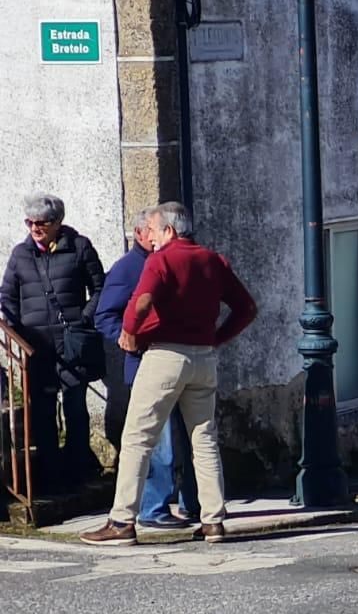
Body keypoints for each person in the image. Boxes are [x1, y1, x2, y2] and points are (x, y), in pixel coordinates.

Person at [78, 202, 257, 546]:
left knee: (137, 438)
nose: (152, 238)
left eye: (156, 231)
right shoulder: (213, 260)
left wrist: (130, 330)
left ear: (170, 231)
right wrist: (216, 338)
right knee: (204, 440)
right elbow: (247, 308)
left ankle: (121, 522)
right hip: (203, 358)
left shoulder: (161, 259)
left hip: (165, 355)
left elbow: (143, 301)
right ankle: (213, 521)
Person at [93, 207, 200, 528]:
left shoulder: (170, 260)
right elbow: (104, 315)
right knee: (159, 442)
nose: (152, 235)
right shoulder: (128, 268)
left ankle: (190, 503)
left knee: (188, 438)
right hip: (145, 365)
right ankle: (154, 508)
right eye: (149, 230)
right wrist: (131, 339)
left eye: (156, 229)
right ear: (140, 234)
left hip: (178, 361)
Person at [1, 193, 105, 490]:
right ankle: (51, 475)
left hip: (71, 343)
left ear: (58, 222)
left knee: (75, 409)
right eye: (30, 222)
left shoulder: (79, 246)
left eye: (42, 223)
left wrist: (84, 318)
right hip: (37, 348)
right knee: (43, 412)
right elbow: (7, 295)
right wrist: (16, 332)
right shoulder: (21, 255)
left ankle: (78, 469)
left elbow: (100, 288)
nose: (34, 228)